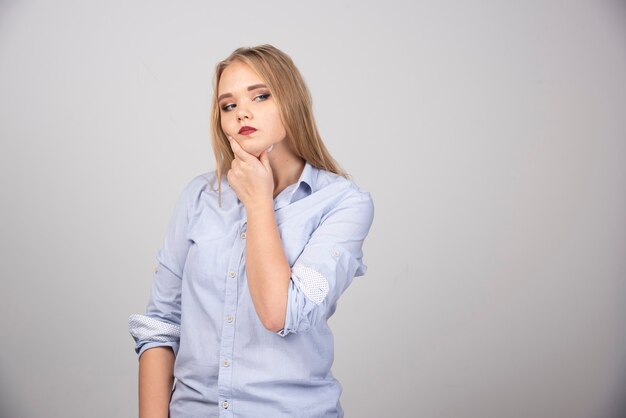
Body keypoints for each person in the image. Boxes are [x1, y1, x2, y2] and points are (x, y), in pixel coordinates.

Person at [128, 44, 375, 418]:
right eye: (228, 105)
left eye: (260, 96)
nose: (242, 111)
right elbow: (161, 325)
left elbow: (281, 313)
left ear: (291, 102)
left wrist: (259, 204)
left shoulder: (342, 203)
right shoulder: (199, 197)